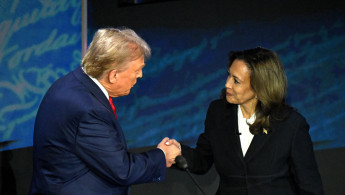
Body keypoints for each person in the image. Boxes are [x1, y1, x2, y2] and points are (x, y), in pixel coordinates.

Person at [30, 27, 181, 195]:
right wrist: (162, 155)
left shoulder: (73, 83)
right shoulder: (89, 109)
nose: (140, 75)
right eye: (137, 70)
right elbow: (123, 171)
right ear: (113, 75)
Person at [171, 47, 324, 194]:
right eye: (228, 75)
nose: (227, 84)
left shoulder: (291, 124)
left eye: (236, 80)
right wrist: (177, 151)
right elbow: (202, 160)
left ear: (259, 86)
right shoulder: (217, 112)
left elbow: (309, 186)